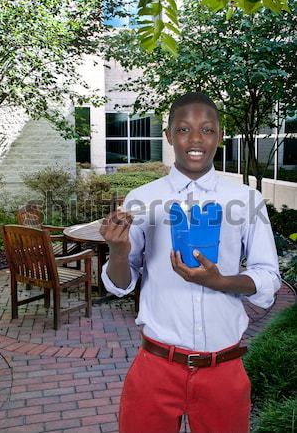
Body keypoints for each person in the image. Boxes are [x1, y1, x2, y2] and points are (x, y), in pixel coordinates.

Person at [100, 92, 281, 433]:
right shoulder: (143, 199)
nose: (196, 139)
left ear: (220, 136)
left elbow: (268, 278)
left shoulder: (246, 200)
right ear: (168, 135)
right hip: (155, 368)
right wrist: (119, 252)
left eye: (207, 129)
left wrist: (221, 282)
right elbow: (122, 284)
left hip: (224, 371)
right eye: (184, 129)